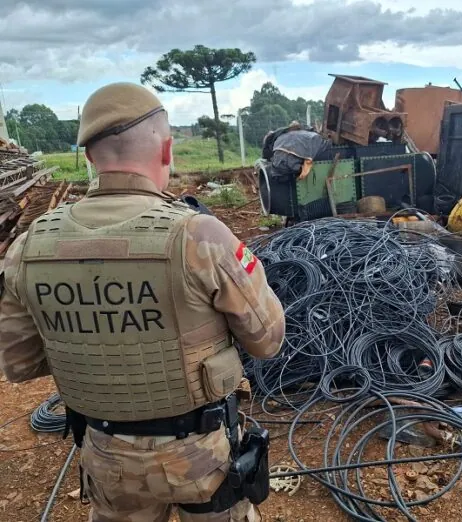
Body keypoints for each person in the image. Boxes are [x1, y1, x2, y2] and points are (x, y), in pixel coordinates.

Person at [0, 82, 285, 522]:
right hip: (201, 458)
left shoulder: (27, 246)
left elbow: (19, 365)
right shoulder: (199, 236)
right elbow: (267, 340)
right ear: (168, 150)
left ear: (91, 157)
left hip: (104, 455)